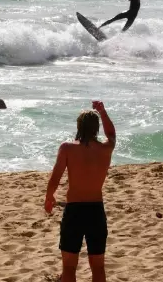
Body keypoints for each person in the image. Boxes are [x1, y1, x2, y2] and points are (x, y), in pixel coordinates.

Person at [45, 101, 116, 282]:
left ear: (78, 126)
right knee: (98, 267)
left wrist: (49, 197)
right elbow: (112, 134)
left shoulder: (67, 148)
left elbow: (55, 177)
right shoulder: (105, 149)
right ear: (96, 128)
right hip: (96, 211)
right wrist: (102, 111)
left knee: (69, 267)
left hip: (75, 211)